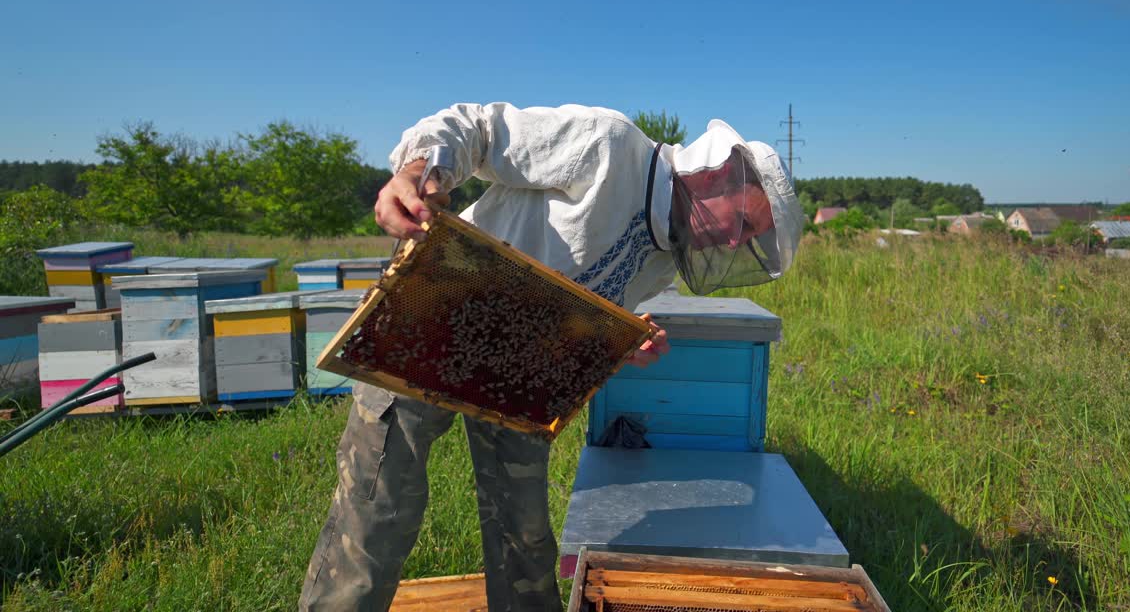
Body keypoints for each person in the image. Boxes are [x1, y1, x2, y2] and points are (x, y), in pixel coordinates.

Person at [299, 103, 803, 612]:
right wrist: (417, 171)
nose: (735, 240)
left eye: (748, 237)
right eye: (742, 221)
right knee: (379, 505)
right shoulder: (609, 145)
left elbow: (574, 313)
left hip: (519, 369)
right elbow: (480, 128)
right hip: (437, 310)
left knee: (524, 534)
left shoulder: (659, 263)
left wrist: (617, 341)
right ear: (716, 173)